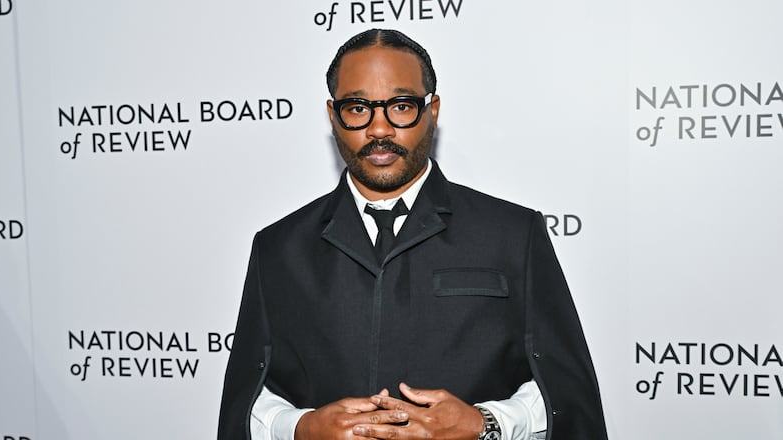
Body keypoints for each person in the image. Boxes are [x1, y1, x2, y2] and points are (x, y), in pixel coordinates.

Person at [218, 28, 608, 440]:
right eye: (357, 108)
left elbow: (567, 391)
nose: (380, 129)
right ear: (333, 115)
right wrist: (300, 427)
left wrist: (484, 423)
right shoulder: (279, 248)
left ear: (432, 110)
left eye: (401, 106)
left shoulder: (513, 234)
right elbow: (248, 399)